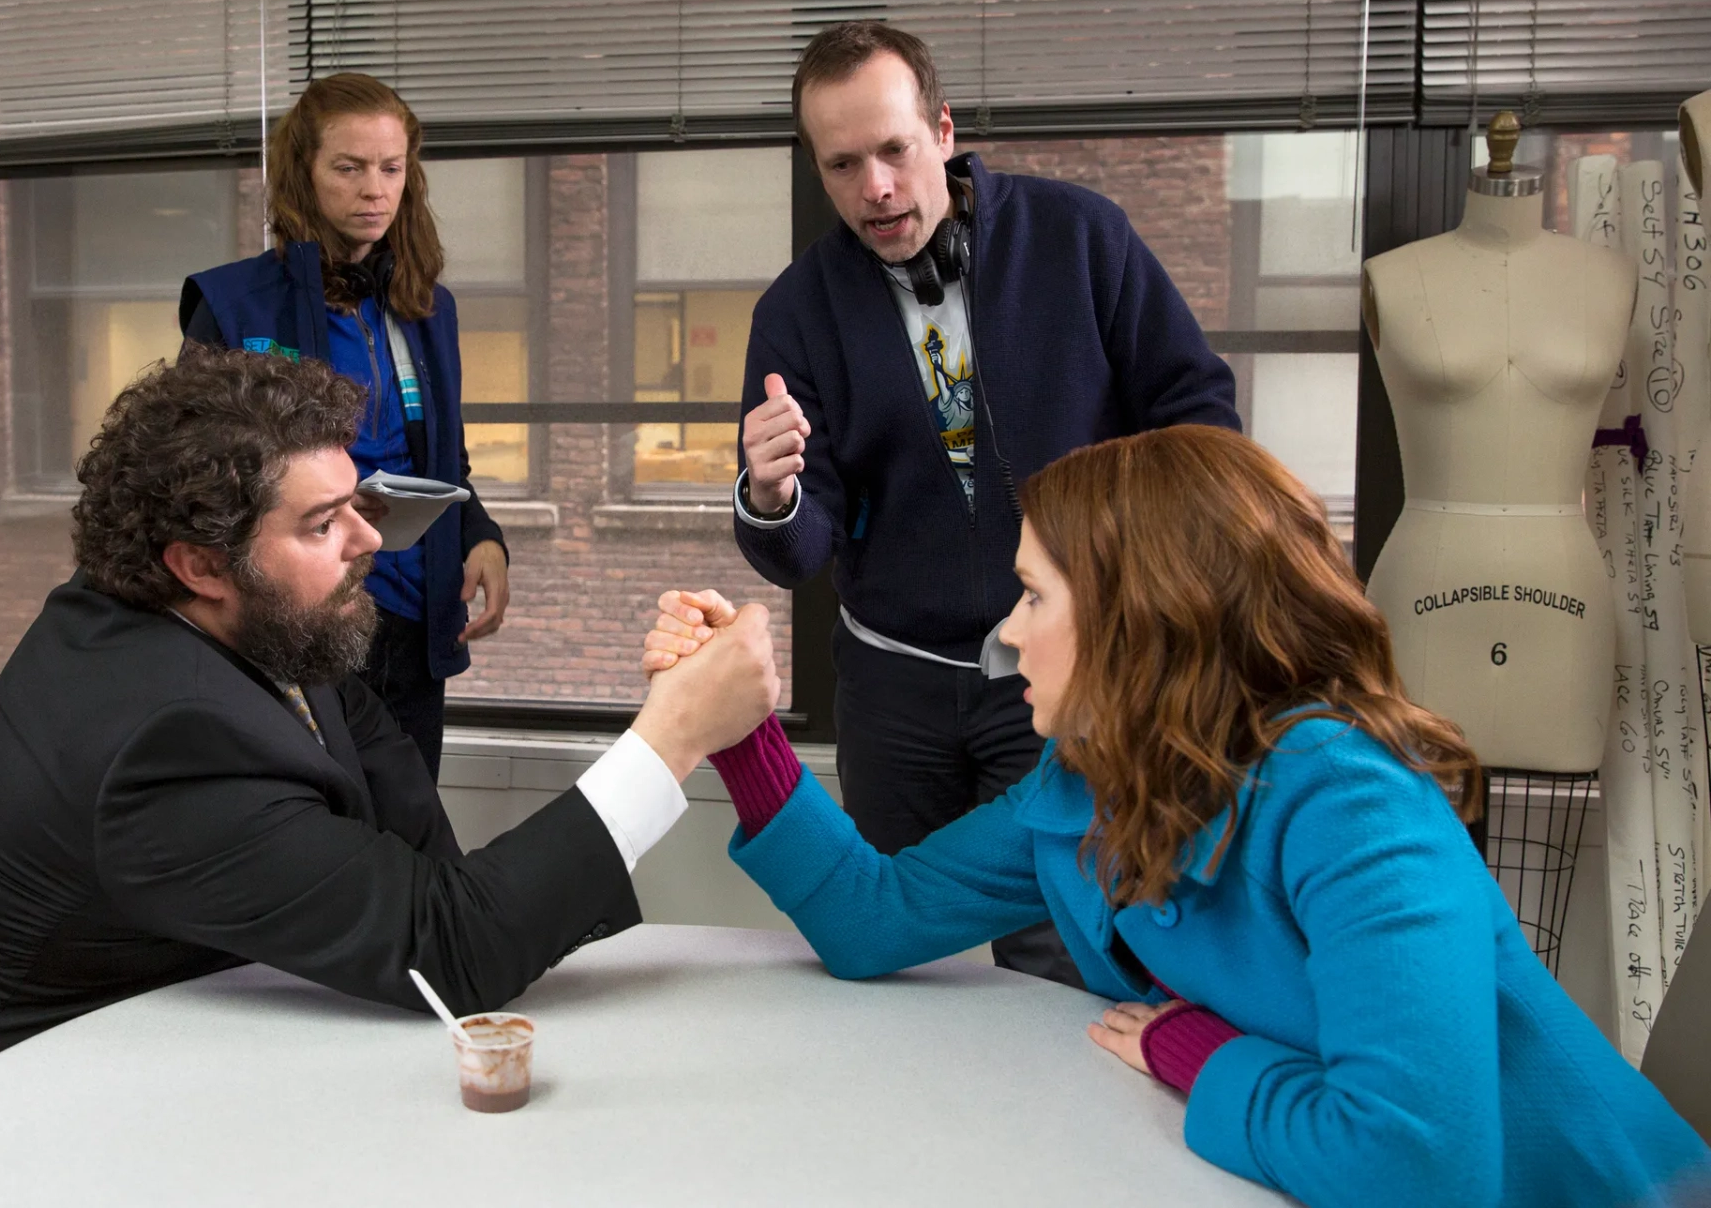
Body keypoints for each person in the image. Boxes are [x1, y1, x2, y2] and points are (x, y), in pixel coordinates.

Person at [646, 425, 1711, 1207]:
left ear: (1137, 621)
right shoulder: (1083, 786)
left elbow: (1419, 1169)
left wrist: (1194, 1051)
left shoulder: (1350, 800)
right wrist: (737, 731)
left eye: (1033, 595)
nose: (1007, 634)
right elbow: (870, 915)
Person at [0, 347, 779, 1112]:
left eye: (358, 503)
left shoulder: (269, 623)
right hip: (19, 1117)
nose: (369, 539)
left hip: (176, 1050)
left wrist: (473, 915)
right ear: (200, 563)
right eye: (323, 522)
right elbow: (452, 949)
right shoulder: (167, 740)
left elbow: (433, 880)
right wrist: (673, 736)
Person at [733, 21, 1239, 986]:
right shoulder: (794, 311)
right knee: (890, 958)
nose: (875, 188)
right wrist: (771, 491)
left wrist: (1130, 574)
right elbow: (801, 550)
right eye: (842, 166)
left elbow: (1199, 417)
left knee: (1065, 954)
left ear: (945, 130)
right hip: (893, 691)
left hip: (1061, 670)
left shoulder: (1083, 238)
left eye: (894, 150)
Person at [181, 71, 502, 784]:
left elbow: (447, 459)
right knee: (316, 830)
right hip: (301, 619)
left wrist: (480, 533)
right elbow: (190, 477)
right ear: (305, 173)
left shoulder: (427, 307)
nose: (374, 189)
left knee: (410, 828)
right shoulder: (233, 305)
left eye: (391, 168)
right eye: (349, 168)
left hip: (415, 618)